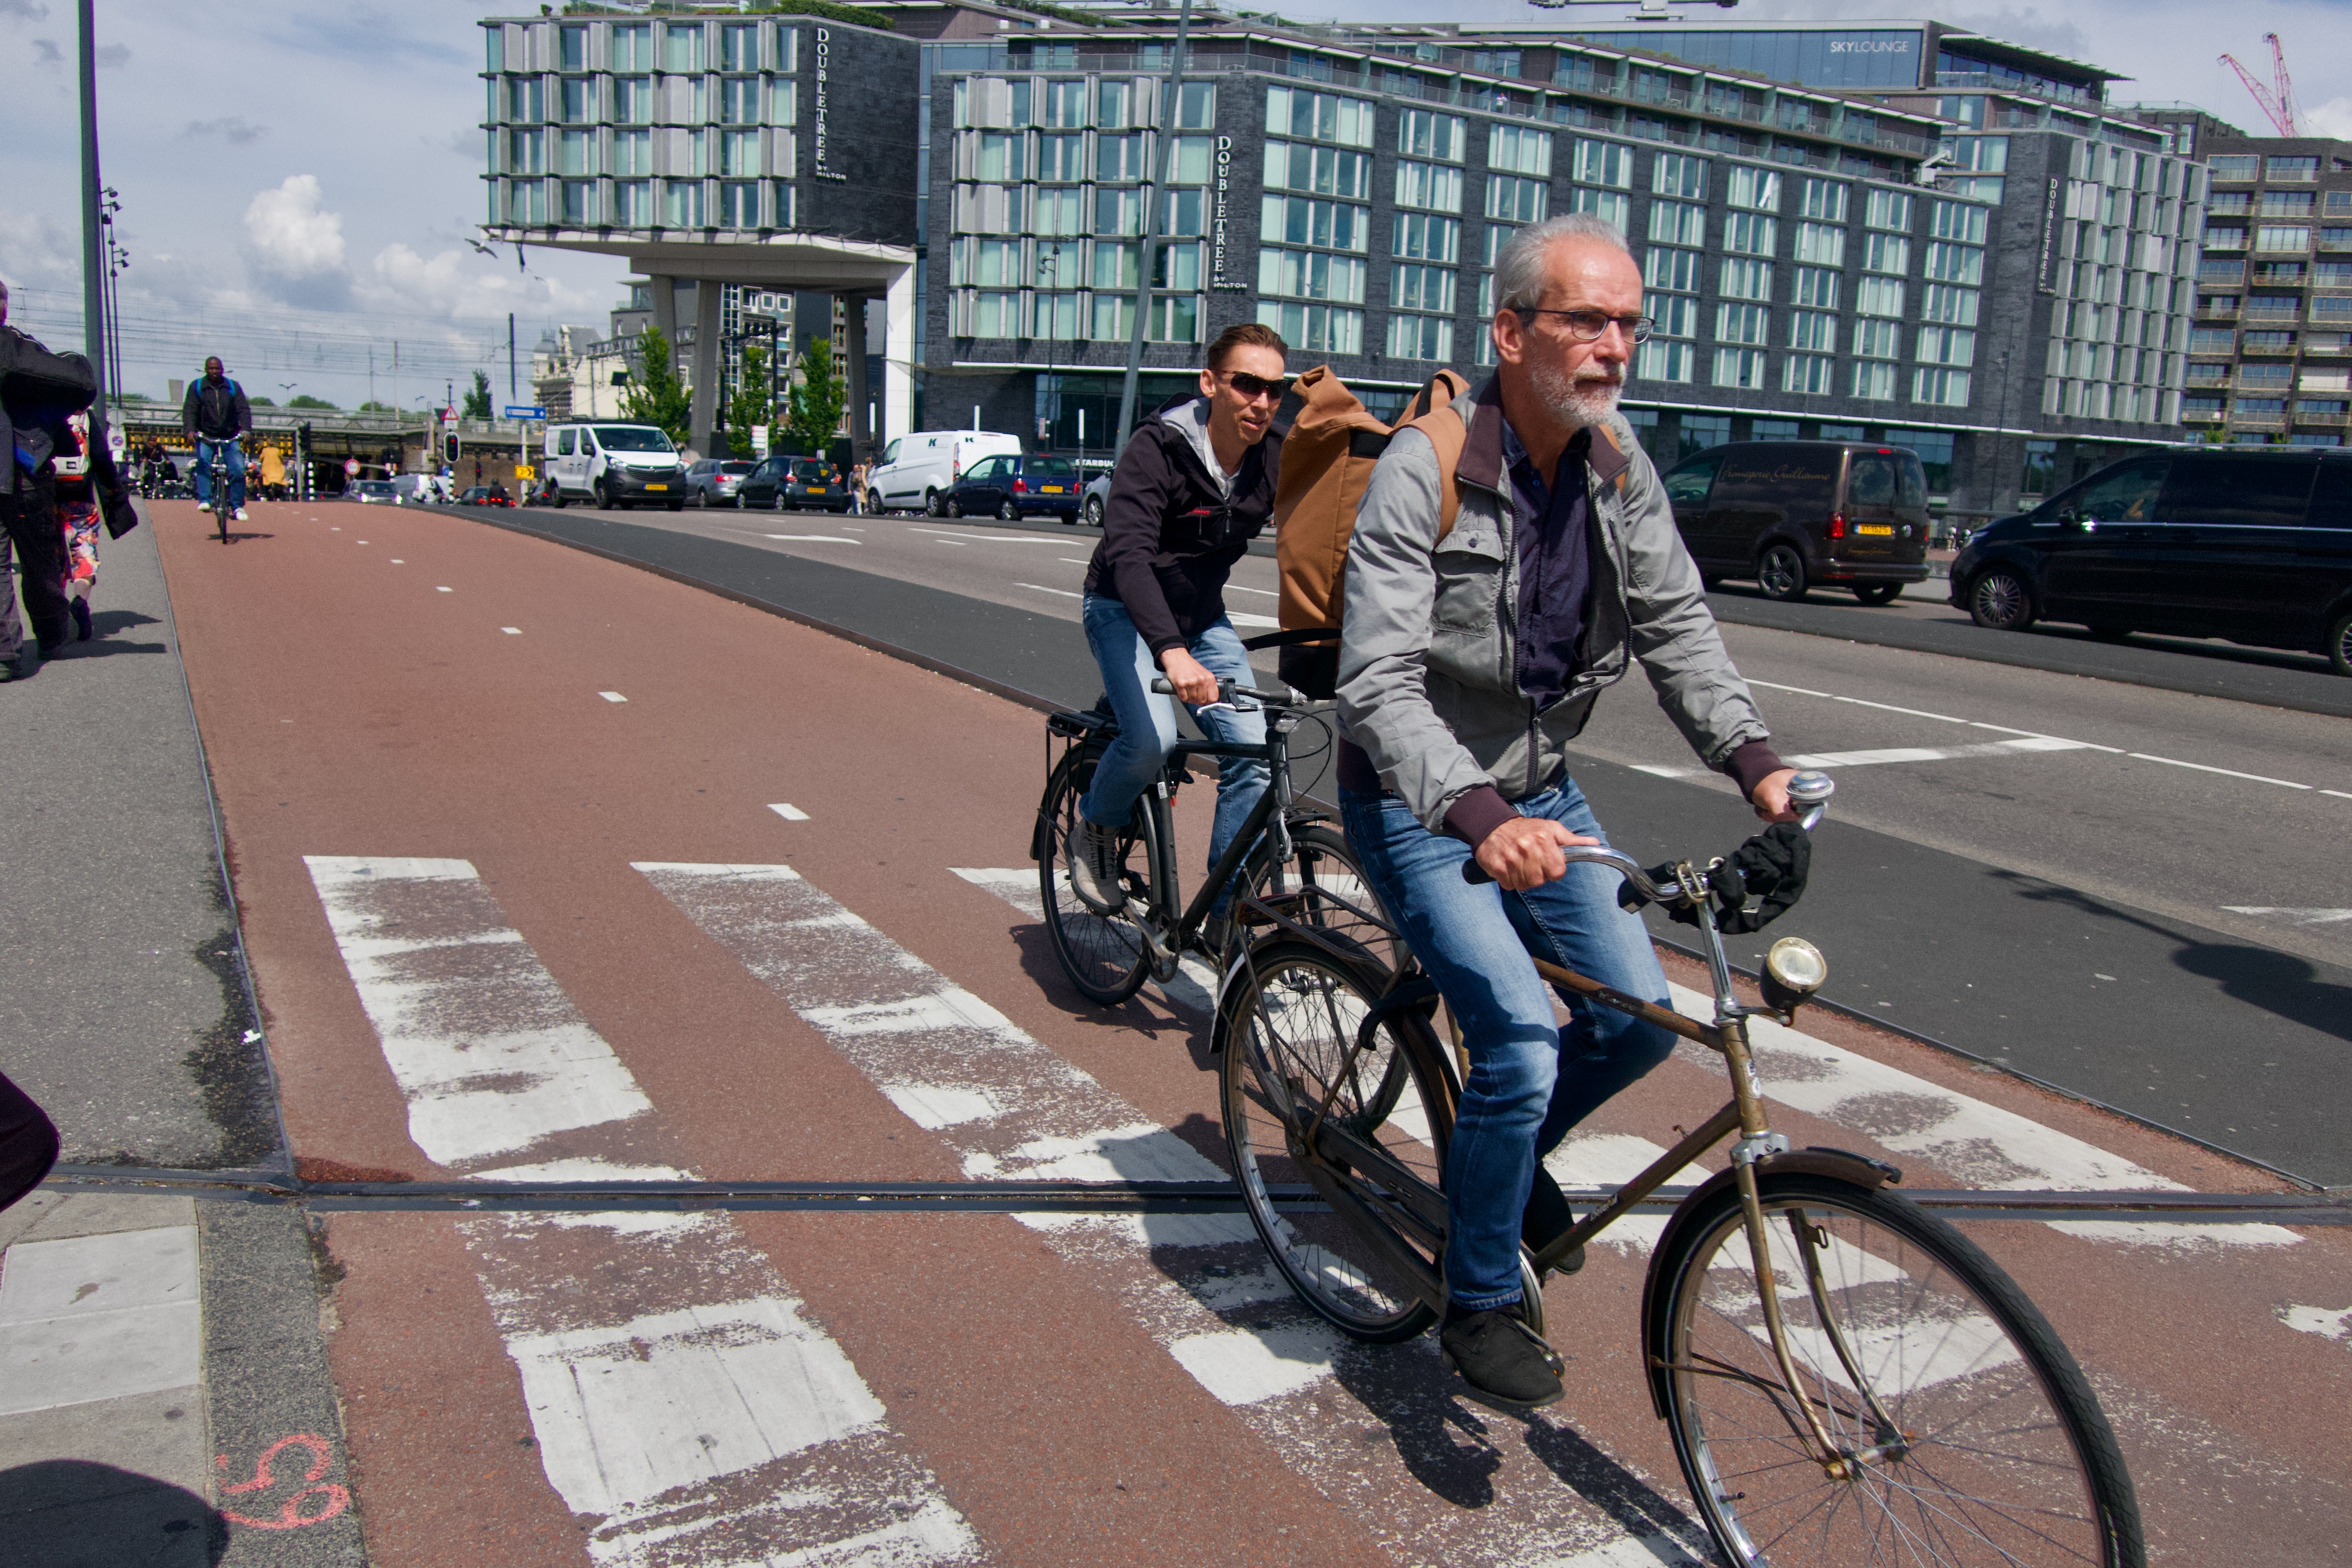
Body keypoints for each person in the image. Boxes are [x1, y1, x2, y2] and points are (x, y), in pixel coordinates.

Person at [1335, 214, 1797, 1412]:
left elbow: (1674, 621)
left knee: (1638, 1024)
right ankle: (1479, 1294)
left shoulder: (1614, 461)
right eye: (1586, 320)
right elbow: (1375, 681)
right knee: (1520, 1043)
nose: (1614, 347)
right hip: (1421, 799)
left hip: (1541, 789)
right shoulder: (1423, 467)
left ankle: (1498, 1171)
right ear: (1510, 332)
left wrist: (1754, 763)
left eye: (1628, 324)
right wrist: (1476, 811)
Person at [1067, 322, 1289, 947]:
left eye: (1275, 390)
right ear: (1210, 383)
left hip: (1201, 618)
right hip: (1120, 607)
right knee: (1153, 740)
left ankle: (1224, 914)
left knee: (1255, 754)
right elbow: (1130, 556)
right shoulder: (1158, 448)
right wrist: (1171, 654)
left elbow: (1328, 527)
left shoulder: (1276, 453)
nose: (1262, 402)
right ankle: (1095, 828)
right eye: (1247, 384)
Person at [0, 276, 89, 681]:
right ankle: (51, 634)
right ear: (5, 309)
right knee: (39, 561)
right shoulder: (20, 347)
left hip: (21, 470)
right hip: (27, 472)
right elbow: (73, 382)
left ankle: (6, 654)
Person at [181, 355, 252, 522]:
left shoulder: (232, 387)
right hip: (206, 435)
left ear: (222, 370)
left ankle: (237, 506)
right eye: (211, 368)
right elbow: (190, 410)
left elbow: (243, 409)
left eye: (217, 369)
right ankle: (205, 500)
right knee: (203, 464)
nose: (214, 371)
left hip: (230, 435)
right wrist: (190, 431)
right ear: (206, 370)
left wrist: (246, 430)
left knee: (238, 470)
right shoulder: (197, 386)